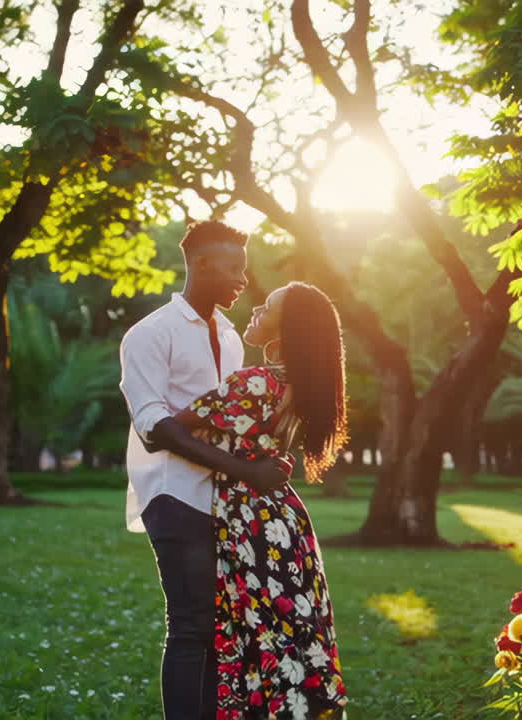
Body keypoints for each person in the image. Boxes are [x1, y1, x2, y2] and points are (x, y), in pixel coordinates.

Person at [120, 220, 291, 720]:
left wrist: (263, 457)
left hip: (227, 501)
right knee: (191, 627)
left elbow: (229, 419)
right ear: (201, 265)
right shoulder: (150, 334)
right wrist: (244, 468)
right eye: (235, 267)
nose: (244, 278)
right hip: (173, 495)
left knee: (220, 629)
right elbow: (155, 426)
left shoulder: (234, 338)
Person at [173, 281, 348, 719]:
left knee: (257, 630)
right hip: (280, 520)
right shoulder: (302, 385)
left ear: (287, 328)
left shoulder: (254, 383)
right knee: (287, 633)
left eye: (268, 306)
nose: (257, 308)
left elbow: (173, 428)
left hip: (250, 522)